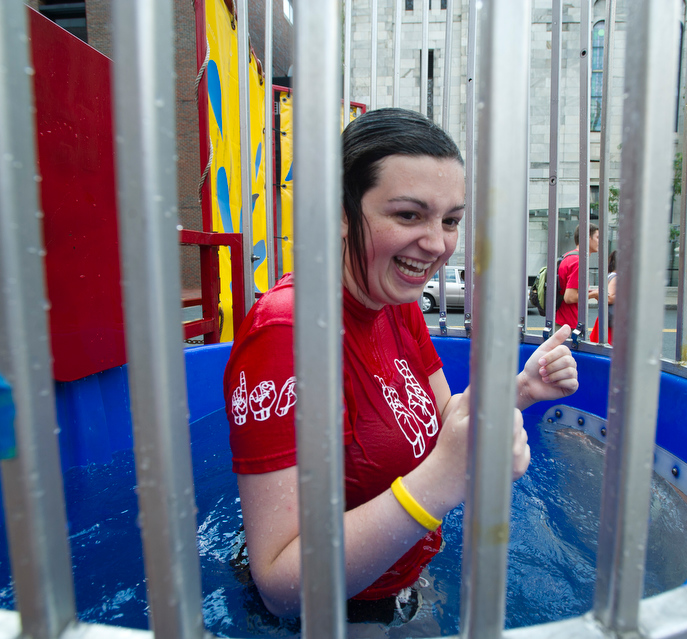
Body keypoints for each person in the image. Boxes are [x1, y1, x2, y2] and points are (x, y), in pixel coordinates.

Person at [222, 108, 579, 622]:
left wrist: (518, 391)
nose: (437, 244)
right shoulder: (289, 334)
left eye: (451, 220)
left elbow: (442, 424)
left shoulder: (398, 304)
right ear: (341, 213)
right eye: (409, 215)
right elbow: (280, 584)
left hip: (403, 577)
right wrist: (443, 481)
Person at [555, 223, 599, 332]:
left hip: (562, 322)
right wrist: (594, 294)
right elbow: (569, 297)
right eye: (597, 237)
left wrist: (589, 291)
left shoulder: (568, 256)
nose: (600, 241)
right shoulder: (579, 262)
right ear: (588, 238)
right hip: (570, 326)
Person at [589, 251, 616, 345]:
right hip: (612, 319)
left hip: (606, 317)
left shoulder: (610, 275)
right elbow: (609, 298)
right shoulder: (616, 277)